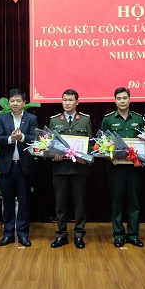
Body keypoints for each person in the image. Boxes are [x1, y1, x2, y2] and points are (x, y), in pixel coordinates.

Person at [100, 87, 145, 248]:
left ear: (129, 99)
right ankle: (118, 234)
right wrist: (108, 155)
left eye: (125, 98)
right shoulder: (108, 119)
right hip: (116, 168)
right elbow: (101, 143)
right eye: (119, 98)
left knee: (134, 201)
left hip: (134, 167)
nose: (122, 101)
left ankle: (133, 235)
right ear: (115, 101)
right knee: (117, 201)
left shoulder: (139, 119)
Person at [0, 89, 38, 247]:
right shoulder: (3, 118)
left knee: (24, 202)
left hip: (23, 167)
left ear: (24, 103)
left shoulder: (31, 118)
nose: (15, 103)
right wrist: (11, 139)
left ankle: (23, 234)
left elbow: (36, 138)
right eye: (12, 100)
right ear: (9, 102)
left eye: (18, 100)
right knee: (7, 202)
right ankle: (8, 234)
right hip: (7, 167)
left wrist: (22, 137)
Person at [49, 89, 92, 249]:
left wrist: (85, 157)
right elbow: (49, 143)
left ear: (77, 102)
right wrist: (53, 155)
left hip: (79, 168)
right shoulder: (54, 120)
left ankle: (79, 235)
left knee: (79, 204)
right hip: (60, 168)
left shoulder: (85, 120)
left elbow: (90, 144)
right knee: (60, 205)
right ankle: (61, 235)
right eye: (64, 100)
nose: (67, 103)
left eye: (70, 100)